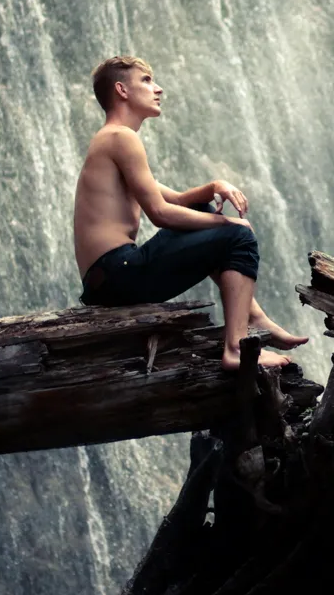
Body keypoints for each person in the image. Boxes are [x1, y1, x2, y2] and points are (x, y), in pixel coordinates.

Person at [72, 55, 308, 370]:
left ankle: (251, 316)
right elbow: (160, 214)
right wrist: (229, 223)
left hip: (109, 277)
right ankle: (236, 349)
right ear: (121, 90)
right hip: (119, 273)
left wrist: (215, 186)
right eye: (146, 80)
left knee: (203, 211)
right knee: (239, 237)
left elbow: (180, 200)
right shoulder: (121, 138)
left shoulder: (113, 140)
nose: (158, 88)